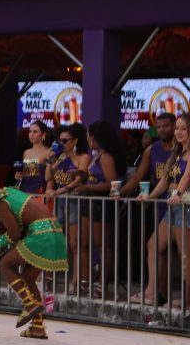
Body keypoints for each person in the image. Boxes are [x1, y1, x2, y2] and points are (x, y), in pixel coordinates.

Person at [0, 170, 68, 340]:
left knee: (5, 263)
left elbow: (14, 234)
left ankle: (29, 304)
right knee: (27, 277)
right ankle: (37, 327)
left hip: (42, 235)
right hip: (54, 233)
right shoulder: (9, 192)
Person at [135, 114, 190, 306]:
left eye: (183, 128)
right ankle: (151, 292)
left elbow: (186, 176)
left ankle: (187, 299)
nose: (179, 132)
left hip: (186, 206)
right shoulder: (177, 152)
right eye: (178, 128)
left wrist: (179, 192)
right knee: (154, 244)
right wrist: (148, 197)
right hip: (173, 206)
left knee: (185, 255)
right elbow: (164, 181)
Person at [76, 121, 126, 299]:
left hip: (101, 204)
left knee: (102, 245)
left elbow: (111, 183)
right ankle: (85, 281)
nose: (88, 139)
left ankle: (101, 284)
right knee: (84, 243)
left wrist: (87, 188)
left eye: (90, 135)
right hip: (89, 203)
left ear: (95, 137)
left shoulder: (106, 157)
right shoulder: (96, 156)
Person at [45, 122, 91, 291]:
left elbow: (80, 178)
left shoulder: (82, 157)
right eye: (60, 140)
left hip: (74, 200)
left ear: (75, 141)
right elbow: (48, 176)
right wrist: (52, 161)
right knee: (54, 240)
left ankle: (76, 281)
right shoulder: (61, 158)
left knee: (74, 243)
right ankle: (48, 277)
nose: (62, 144)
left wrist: (61, 190)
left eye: (66, 141)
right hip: (60, 202)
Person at [121, 113, 175, 197]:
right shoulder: (150, 150)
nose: (162, 130)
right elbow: (137, 178)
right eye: (159, 127)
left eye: (166, 126)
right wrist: (120, 191)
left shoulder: (184, 148)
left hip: (182, 202)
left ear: (174, 126)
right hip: (158, 202)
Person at [17, 121, 53, 194]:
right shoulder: (26, 152)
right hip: (24, 192)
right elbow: (25, 173)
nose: (31, 135)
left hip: (39, 193)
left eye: (35, 132)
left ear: (43, 134)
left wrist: (48, 190)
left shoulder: (48, 152)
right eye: (30, 132)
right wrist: (19, 175)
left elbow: (51, 177)